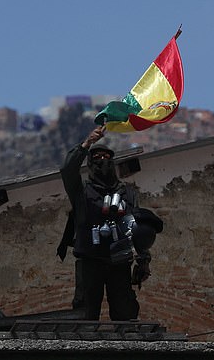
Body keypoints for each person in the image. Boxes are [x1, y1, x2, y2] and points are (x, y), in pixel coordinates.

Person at [60, 126, 162, 321]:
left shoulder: (126, 194)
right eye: (97, 157)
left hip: (119, 262)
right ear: (90, 163)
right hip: (90, 261)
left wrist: (144, 260)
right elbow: (67, 169)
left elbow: (137, 230)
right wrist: (87, 143)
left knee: (125, 314)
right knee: (85, 316)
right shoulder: (81, 193)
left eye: (107, 157)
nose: (103, 161)